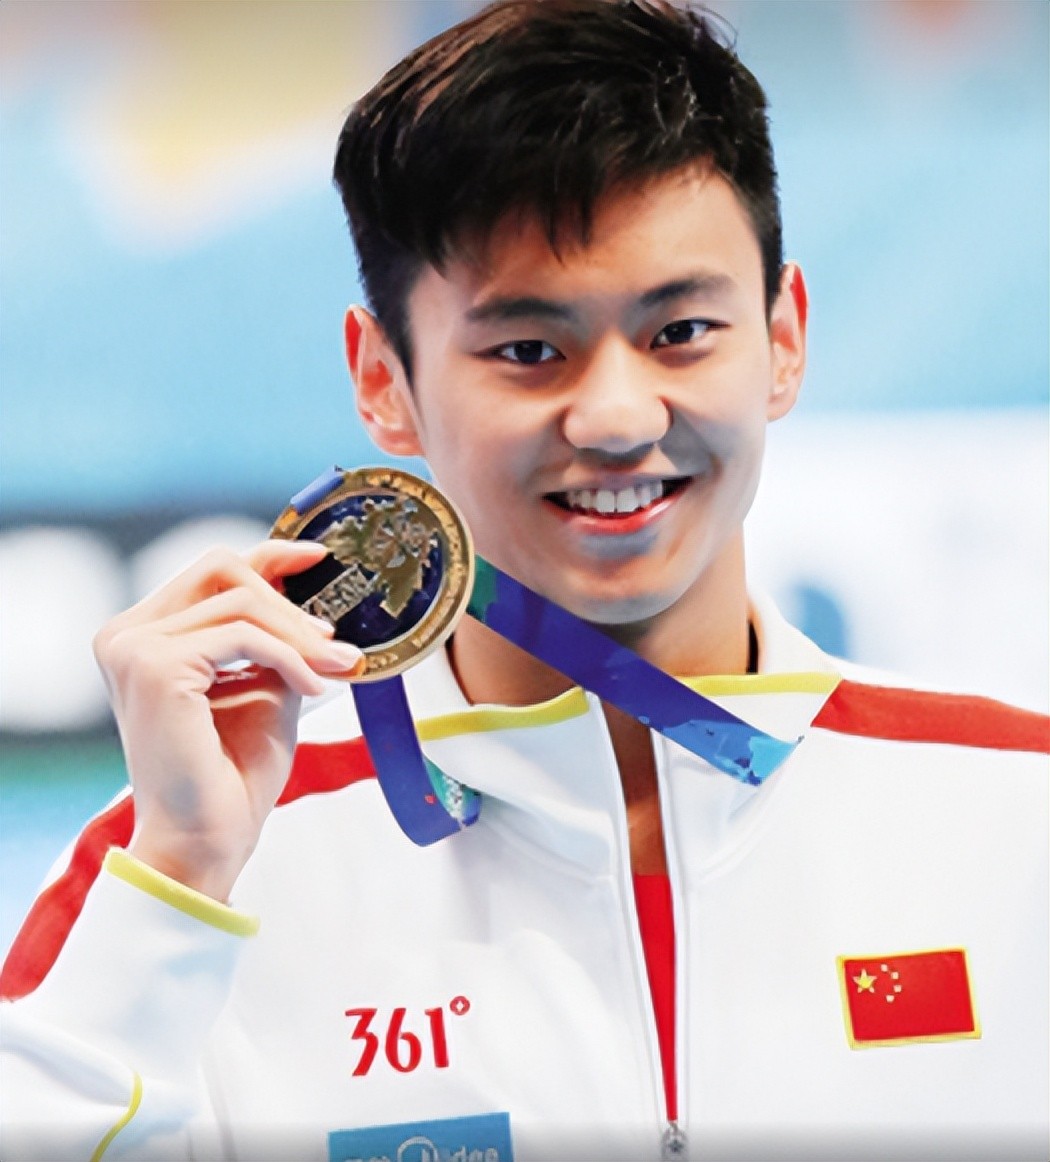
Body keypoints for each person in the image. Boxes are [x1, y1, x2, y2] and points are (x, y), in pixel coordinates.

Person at [1, 1, 1047, 1159]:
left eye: (682, 331)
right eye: (529, 351)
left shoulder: (1017, 811)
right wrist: (183, 878)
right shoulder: (178, 869)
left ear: (783, 337)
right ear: (384, 380)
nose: (616, 418)